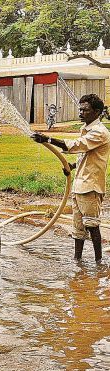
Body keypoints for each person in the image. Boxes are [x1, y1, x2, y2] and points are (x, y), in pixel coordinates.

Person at [31, 94, 110, 262]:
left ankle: (99, 263)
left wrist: (48, 139)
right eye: (80, 109)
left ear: (97, 112)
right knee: (78, 229)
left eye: (85, 110)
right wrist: (72, 167)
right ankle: (77, 261)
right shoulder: (86, 129)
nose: (81, 112)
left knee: (92, 225)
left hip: (91, 186)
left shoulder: (100, 132)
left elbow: (77, 145)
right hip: (79, 185)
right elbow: (85, 154)